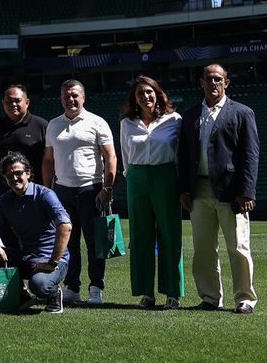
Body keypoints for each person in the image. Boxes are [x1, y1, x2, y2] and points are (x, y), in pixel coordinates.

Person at [178, 64, 259, 314]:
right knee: (203, 249)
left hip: (231, 191)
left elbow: (250, 155)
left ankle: (245, 298)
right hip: (198, 190)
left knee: (238, 246)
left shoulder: (242, 113)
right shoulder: (190, 115)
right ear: (201, 82)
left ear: (226, 83)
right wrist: (184, 189)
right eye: (208, 79)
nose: (213, 83)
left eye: (218, 79)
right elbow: (184, 156)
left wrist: (246, 191)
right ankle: (210, 297)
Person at [42, 79, 116, 306]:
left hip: (91, 189)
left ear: (83, 97)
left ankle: (96, 288)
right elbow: (48, 160)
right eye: (66, 95)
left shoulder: (97, 122)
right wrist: (47, 191)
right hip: (62, 191)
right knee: (68, 242)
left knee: (95, 243)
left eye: (74, 95)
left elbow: (110, 157)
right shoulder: (53, 124)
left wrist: (107, 189)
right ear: (61, 98)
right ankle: (72, 287)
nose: (70, 99)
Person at [0, 152, 71, 314]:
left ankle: (54, 293)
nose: (14, 178)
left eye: (18, 173)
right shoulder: (4, 201)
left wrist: (53, 262)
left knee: (40, 285)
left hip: (51, 259)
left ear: (28, 173)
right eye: (9, 175)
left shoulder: (45, 195)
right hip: (25, 256)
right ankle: (21, 294)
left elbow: (65, 226)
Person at [120, 76, 183, 310]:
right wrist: (132, 177)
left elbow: (179, 153)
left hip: (165, 176)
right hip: (137, 178)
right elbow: (125, 155)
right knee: (140, 237)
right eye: (140, 93)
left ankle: (172, 293)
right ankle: (146, 293)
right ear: (134, 98)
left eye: (149, 92)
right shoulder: (127, 123)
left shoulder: (174, 120)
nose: (145, 96)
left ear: (157, 93)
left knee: (169, 234)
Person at [0, 84, 48, 195]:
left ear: (27, 102)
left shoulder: (41, 126)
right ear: (3, 103)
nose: (13, 104)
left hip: (35, 193)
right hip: (4, 194)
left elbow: (49, 160)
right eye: (8, 101)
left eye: (17, 100)